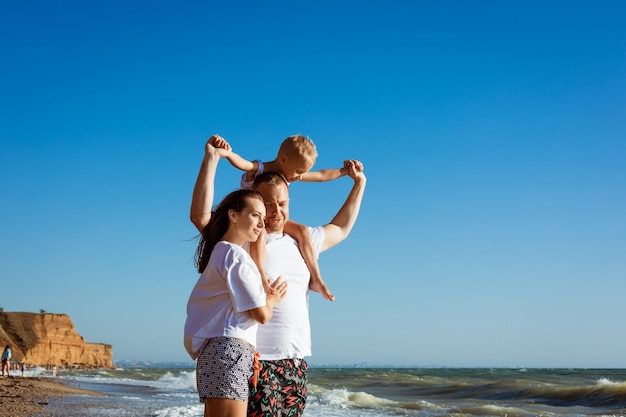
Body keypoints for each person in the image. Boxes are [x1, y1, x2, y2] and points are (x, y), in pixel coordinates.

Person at [190, 135, 366, 417]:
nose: (276, 212)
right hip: (255, 359)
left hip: (294, 361)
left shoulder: (304, 240)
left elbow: (341, 228)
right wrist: (211, 160)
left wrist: (358, 184)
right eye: (267, 205)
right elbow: (200, 217)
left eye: (282, 204)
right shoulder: (242, 240)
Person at [184, 188, 288, 417]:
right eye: (254, 215)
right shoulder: (234, 255)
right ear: (233, 215)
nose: (261, 223)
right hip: (230, 351)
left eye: (263, 217)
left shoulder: (222, 252)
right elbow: (260, 314)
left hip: (220, 352)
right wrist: (272, 300)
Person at [214, 134, 351, 302]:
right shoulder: (261, 168)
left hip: (274, 219)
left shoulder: (290, 174)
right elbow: (243, 164)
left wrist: (345, 171)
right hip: (256, 219)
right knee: (261, 236)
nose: (300, 177)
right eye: (299, 172)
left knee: (301, 230)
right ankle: (262, 276)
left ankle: (316, 278)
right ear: (284, 159)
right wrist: (226, 153)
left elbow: (321, 175)